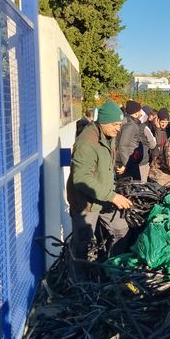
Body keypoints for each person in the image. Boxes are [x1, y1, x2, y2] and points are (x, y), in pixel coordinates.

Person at [66, 101, 133, 277]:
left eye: (120, 124)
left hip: (104, 198)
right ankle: (78, 284)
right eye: (115, 124)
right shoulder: (86, 143)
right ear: (102, 122)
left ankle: (109, 269)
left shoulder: (108, 135)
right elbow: (81, 178)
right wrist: (112, 196)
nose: (118, 129)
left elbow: (106, 163)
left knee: (121, 230)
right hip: (85, 203)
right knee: (82, 243)